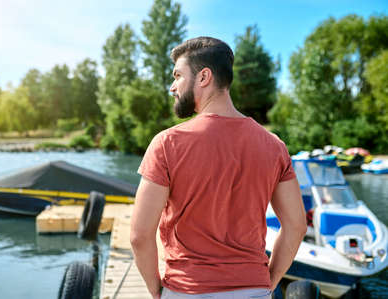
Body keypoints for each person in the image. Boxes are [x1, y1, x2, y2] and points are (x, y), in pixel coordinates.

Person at [130, 37, 307, 299]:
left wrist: (157, 291)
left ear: (204, 77)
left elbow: (140, 235)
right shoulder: (274, 146)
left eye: (178, 76)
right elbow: (296, 226)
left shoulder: (167, 144)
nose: (172, 87)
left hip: (186, 290)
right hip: (253, 289)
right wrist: (268, 282)